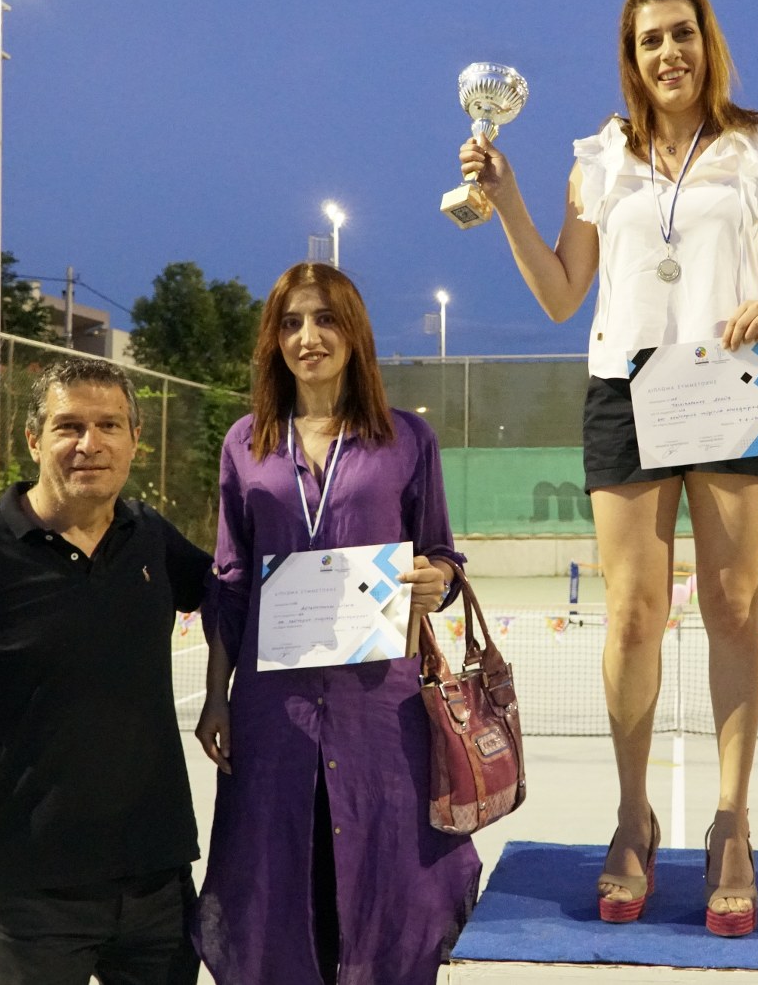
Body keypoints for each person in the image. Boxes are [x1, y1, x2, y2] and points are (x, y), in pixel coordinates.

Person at [457, 0, 758, 936]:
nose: (669, 53)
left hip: (731, 379)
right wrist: (508, 201)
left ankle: (732, 822)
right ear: (631, 56)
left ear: (709, 41)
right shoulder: (600, 158)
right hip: (625, 388)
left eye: (683, 34)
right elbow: (561, 295)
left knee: (734, 605)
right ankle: (632, 818)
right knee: (630, 615)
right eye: (651, 39)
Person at [0, 357, 212, 983]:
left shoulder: (150, 536)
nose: (90, 443)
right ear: (33, 439)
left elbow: (245, 599)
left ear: (135, 440)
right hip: (31, 895)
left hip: (160, 886)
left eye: (109, 425)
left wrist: (390, 584)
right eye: (69, 426)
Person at [191, 262, 478, 985]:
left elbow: (441, 554)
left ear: (354, 334)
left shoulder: (407, 439)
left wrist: (437, 579)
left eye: (324, 320)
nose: (307, 337)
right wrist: (217, 695)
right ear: (273, 340)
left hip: (382, 709)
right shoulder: (245, 443)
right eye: (290, 323)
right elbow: (229, 582)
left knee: (387, 877)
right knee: (279, 880)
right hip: (274, 711)